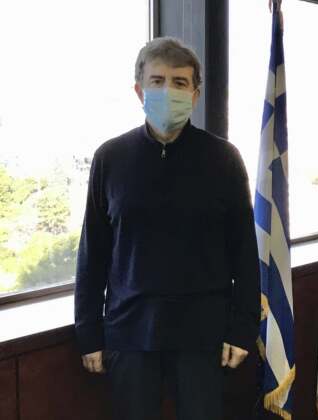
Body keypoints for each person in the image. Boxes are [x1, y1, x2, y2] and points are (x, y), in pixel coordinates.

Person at [74, 36, 260, 420]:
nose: (168, 91)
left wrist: (243, 328)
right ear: (139, 90)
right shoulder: (110, 158)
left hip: (203, 333)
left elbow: (244, 251)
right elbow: (93, 253)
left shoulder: (224, 159)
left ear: (195, 94)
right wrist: (89, 331)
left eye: (179, 82)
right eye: (157, 81)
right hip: (130, 331)